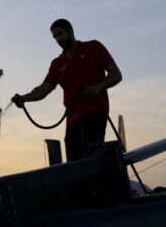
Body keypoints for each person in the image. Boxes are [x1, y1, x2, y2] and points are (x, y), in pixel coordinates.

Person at [12, 19, 122, 161]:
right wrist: (24, 98)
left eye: (60, 34)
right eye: (55, 37)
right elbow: (44, 89)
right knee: (73, 165)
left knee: (90, 160)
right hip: (72, 121)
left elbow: (116, 75)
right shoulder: (57, 63)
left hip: (94, 113)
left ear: (71, 30)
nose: (58, 39)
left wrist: (98, 87)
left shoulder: (94, 47)